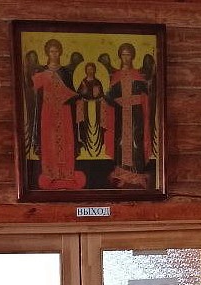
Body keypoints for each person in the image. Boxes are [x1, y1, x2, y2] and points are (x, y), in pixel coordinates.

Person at [28, 39, 87, 191]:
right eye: (51, 51)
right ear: (47, 53)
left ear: (60, 52)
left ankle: (66, 174)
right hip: (48, 113)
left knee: (66, 141)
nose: (54, 54)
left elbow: (75, 94)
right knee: (49, 142)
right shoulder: (41, 73)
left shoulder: (66, 73)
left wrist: (82, 92)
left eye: (56, 51)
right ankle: (51, 175)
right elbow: (36, 96)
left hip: (65, 112)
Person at [99, 42, 155, 188]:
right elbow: (109, 98)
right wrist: (101, 94)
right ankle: (123, 175)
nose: (125, 58)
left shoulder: (138, 75)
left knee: (136, 143)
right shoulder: (116, 76)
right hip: (120, 115)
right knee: (121, 143)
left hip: (136, 115)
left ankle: (137, 175)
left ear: (132, 56)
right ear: (120, 56)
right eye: (123, 55)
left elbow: (146, 95)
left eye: (128, 54)